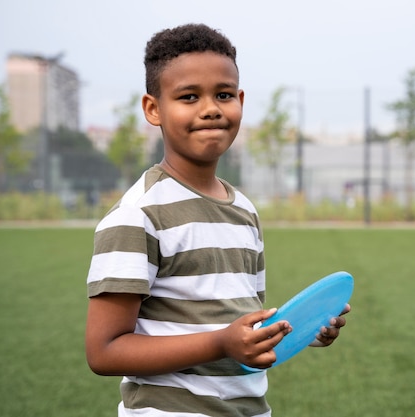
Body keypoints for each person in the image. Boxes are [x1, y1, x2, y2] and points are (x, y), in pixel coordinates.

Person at [85, 23, 350, 417]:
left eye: (223, 95)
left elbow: (242, 323)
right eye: (189, 96)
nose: (210, 108)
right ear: (153, 109)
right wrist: (220, 343)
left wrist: (299, 328)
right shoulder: (137, 214)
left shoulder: (243, 209)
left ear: (240, 101)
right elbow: (104, 352)